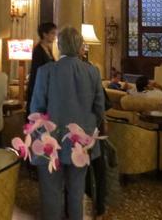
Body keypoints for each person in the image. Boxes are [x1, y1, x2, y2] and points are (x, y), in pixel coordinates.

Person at [30, 26, 105, 220]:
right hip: (81, 141)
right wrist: (88, 127)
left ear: (60, 46)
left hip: (50, 140)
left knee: (51, 193)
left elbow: (36, 109)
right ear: (80, 46)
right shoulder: (92, 72)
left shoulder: (46, 71)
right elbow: (99, 108)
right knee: (77, 191)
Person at [25, 22, 57, 118]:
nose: (54, 36)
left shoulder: (48, 49)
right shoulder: (38, 50)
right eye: (52, 33)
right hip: (38, 86)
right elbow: (36, 71)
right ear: (44, 34)